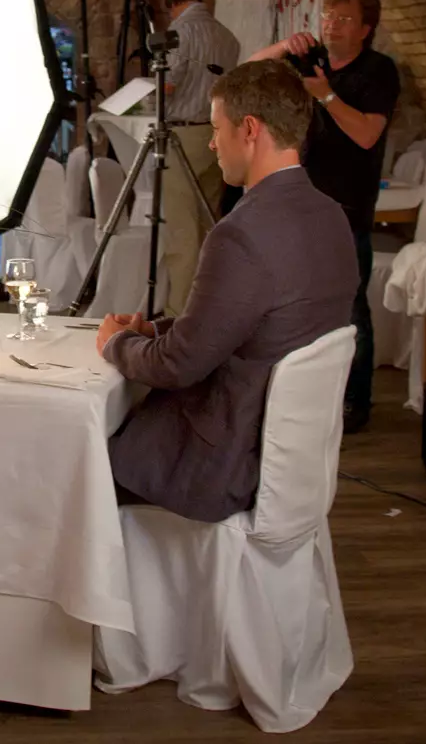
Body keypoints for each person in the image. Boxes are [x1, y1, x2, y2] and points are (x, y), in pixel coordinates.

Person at [95, 60, 358, 523]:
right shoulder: (333, 216)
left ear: (249, 130)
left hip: (225, 465)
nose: (213, 142)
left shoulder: (240, 234)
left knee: (78, 464)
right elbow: (256, 321)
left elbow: (176, 365)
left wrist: (116, 344)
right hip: (294, 460)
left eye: (217, 128)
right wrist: (155, 328)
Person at [248, 0, 399, 434]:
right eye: (328, 16)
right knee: (291, 299)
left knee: (350, 308)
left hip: (348, 206)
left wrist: (325, 95)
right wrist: (281, 47)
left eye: (344, 19)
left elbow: (368, 134)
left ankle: (355, 403)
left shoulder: (379, 71)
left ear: (366, 29)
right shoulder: (307, 59)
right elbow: (244, 76)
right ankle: (298, 393)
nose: (332, 25)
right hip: (298, 202)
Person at [158, 0, 242, 318]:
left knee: (181, 228)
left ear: (173, 4)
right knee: (209, 222)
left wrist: (151, 88)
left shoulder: (180, 33)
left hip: (182, 136)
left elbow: (170, 82)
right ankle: (210, 307)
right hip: (219, 133)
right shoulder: (227, 36)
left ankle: (179, 314)